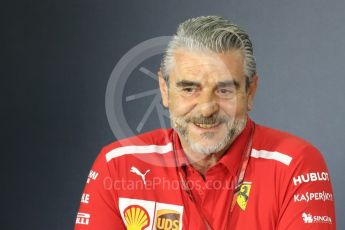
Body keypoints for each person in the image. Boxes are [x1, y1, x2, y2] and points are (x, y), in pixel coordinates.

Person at [75, 16, 336, 229]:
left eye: (224, 90)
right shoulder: (117, 165)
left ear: (250, 92)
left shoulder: (295, 165)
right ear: (164, 90)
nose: (207, 108)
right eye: (189, 89)